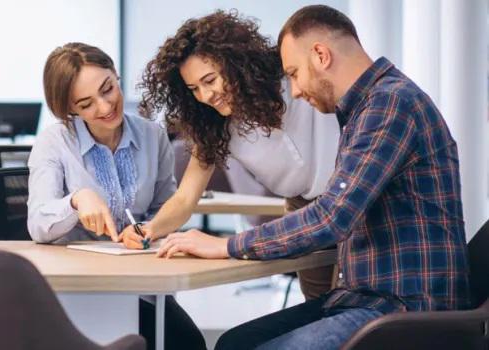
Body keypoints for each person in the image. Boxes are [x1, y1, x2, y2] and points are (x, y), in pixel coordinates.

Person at [155, 5, 472, 350]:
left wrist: (225, 245)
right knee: (235, 342)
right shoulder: (364, 108)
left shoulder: (389, 105)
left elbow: (332, 217)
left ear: (321, 55)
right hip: (364, 297)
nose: (292, 91)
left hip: (404, 307)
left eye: (292, 73)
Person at [129, 10, 340, 301]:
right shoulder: (216, 126)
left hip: (351, 197)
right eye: (194, 89)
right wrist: (149, 229)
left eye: (210, 80)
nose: (205, 96)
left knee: (359, 308)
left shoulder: (292, 79)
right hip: (301, 211)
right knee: (321, 309)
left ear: (235, 63)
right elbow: (185, 198)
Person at [27, 42, 206, 350]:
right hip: (76, 289)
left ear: (115, 74)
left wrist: (149, 230)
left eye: (107, 88)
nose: (105, 107)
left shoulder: (153, 134)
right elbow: (38, 224)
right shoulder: (54, 142)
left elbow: (165, 206)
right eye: (86, 104)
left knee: (187, 344)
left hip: (140, 284)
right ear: (70, 109)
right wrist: (77, 200)